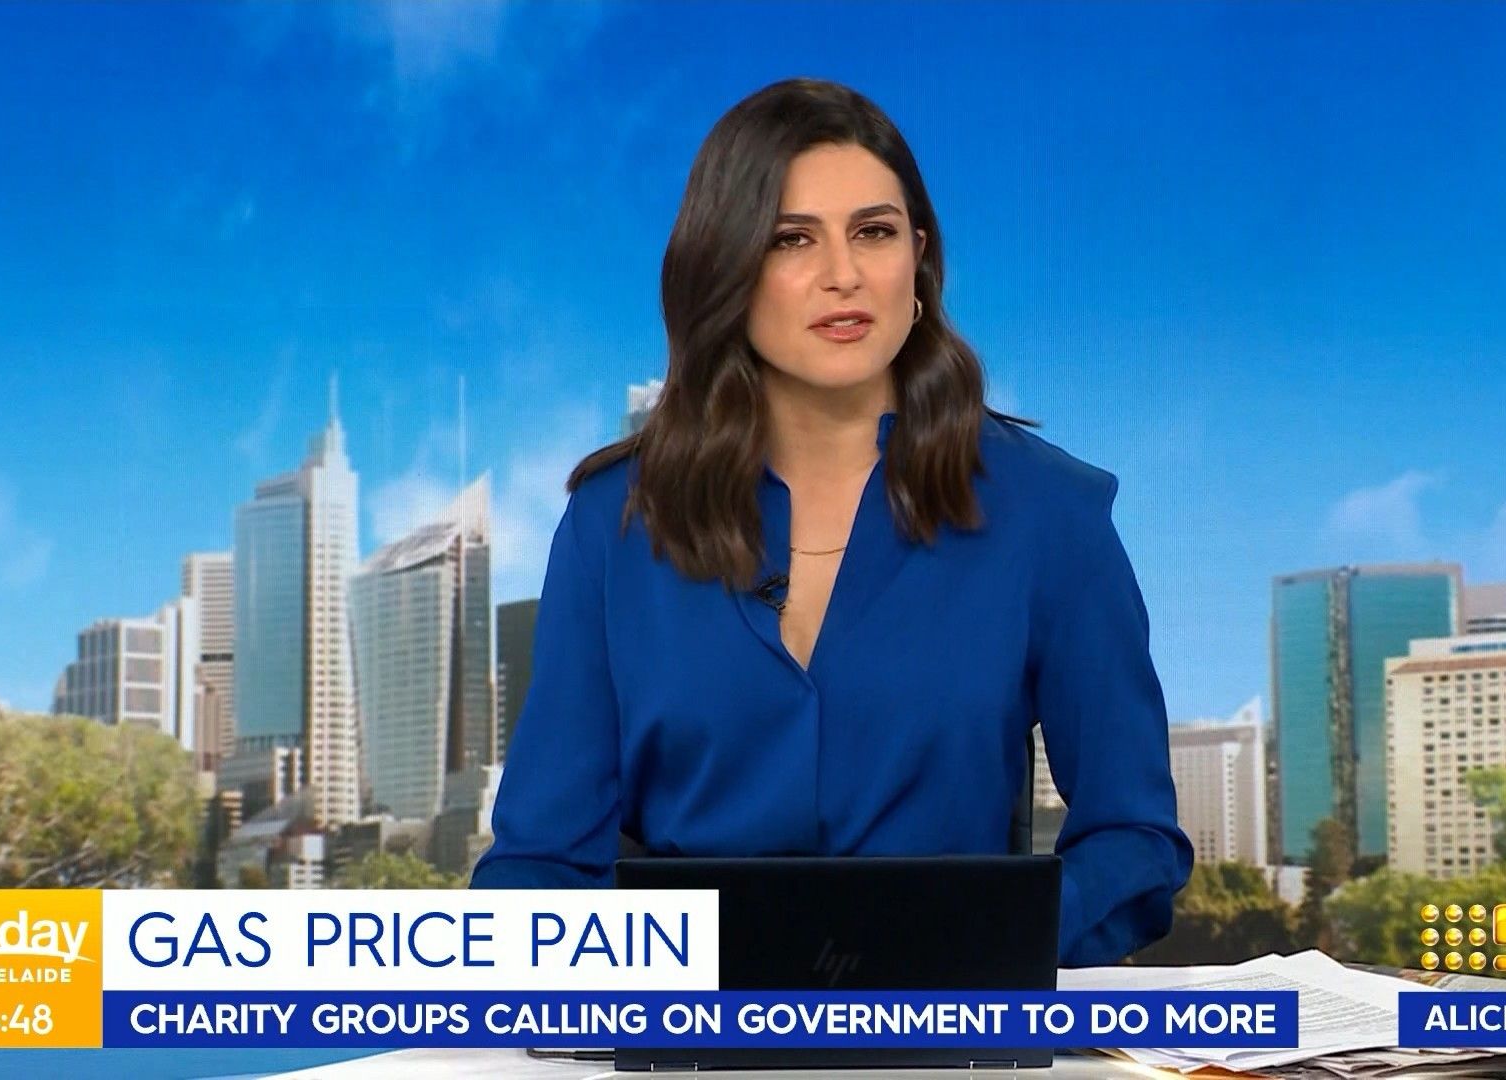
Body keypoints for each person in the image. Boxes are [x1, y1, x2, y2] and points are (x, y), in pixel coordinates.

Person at [471, 77, 1193, 968]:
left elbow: (1132, 842)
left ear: (917, 260)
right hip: (686, 1024)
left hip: (954, 1022)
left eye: (874, 232)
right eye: (792, 239)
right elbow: (538, 866)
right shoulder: (611, 526)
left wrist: (980, 950)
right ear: (726, 270)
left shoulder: (1051, 515)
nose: (843, 274)